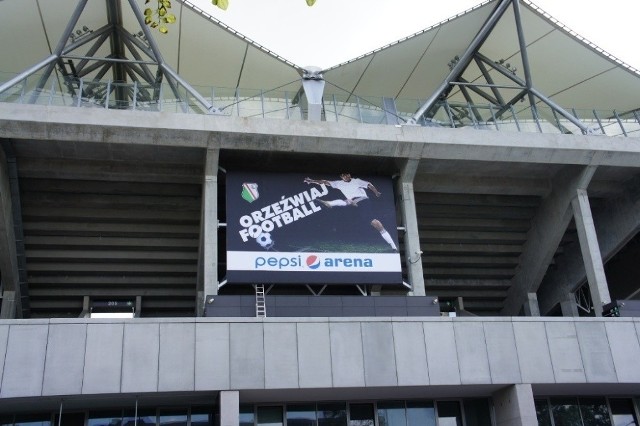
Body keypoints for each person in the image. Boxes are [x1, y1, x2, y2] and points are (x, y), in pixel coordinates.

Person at [304, 173, 398, 251]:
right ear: (341, 177)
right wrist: (311, 181)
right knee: (347, 202)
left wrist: (376, 192)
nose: (346, 176)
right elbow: (324, 181)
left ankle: (393, 246)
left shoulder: (356, 181)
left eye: (347, 174)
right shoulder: (338, 183)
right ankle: (329, 203)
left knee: (376, 224)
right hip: (352, 203)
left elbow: (369, 184)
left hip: (363, 201)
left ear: (349, 175)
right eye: (344, 175)